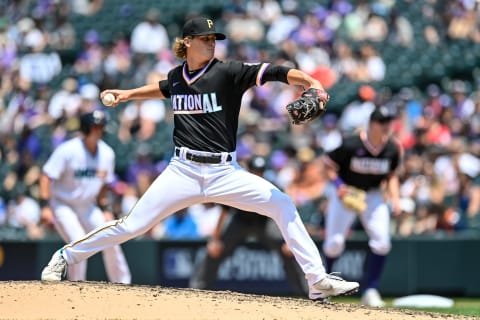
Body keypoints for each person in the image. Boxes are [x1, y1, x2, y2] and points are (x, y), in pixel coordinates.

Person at [41, 17, 358, 301]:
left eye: (214, 39)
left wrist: (312, 83)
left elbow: (275, 71)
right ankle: (65, 256)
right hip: (183, 171)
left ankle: (317, 281)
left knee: (282, 203)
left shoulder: (229, 72)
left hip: (225, 171)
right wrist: (127, 95)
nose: (211, 43)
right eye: (205, 38)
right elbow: (164, 88)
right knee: (132, 225)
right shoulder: (177, 76)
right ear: (187, 43)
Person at [190, 156, 307, 296]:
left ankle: (306, 292)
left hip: (265, 222)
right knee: (215, 250)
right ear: (249, 170)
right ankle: (197, 290)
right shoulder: (239, 186)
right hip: (241, 222)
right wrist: (215, 239)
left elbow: (286, 213)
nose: (258, 174)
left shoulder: (272, 187)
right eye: (255, 170)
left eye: (261, 171)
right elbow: (224, 212)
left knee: (289, 251)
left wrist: (289, 240)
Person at [322, 106, 403, 307]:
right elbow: (327, 165)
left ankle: (371, 290)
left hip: (373, 196)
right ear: (372, 124)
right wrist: (339, 187)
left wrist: (396, 199)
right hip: (347, 193)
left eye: (388, 122)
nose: (387, 126)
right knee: (334, 244)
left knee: (383, 242)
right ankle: (323, 289)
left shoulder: (392, 148)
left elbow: (392, 176)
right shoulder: (352, 143)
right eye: (382, 122)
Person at [39, 110, 131, 283]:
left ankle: (123, 285)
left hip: (88, 207)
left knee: (112, 238)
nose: (100, 130)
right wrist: (45, 206)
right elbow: (46, 176)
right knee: (78, 242)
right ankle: (77, 287)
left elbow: (105, 184)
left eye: (101, 127)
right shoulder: (68, 150)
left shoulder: (107, 153)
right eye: (96, 126)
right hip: (63, 205)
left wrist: (104, 209)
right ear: (86, 128)